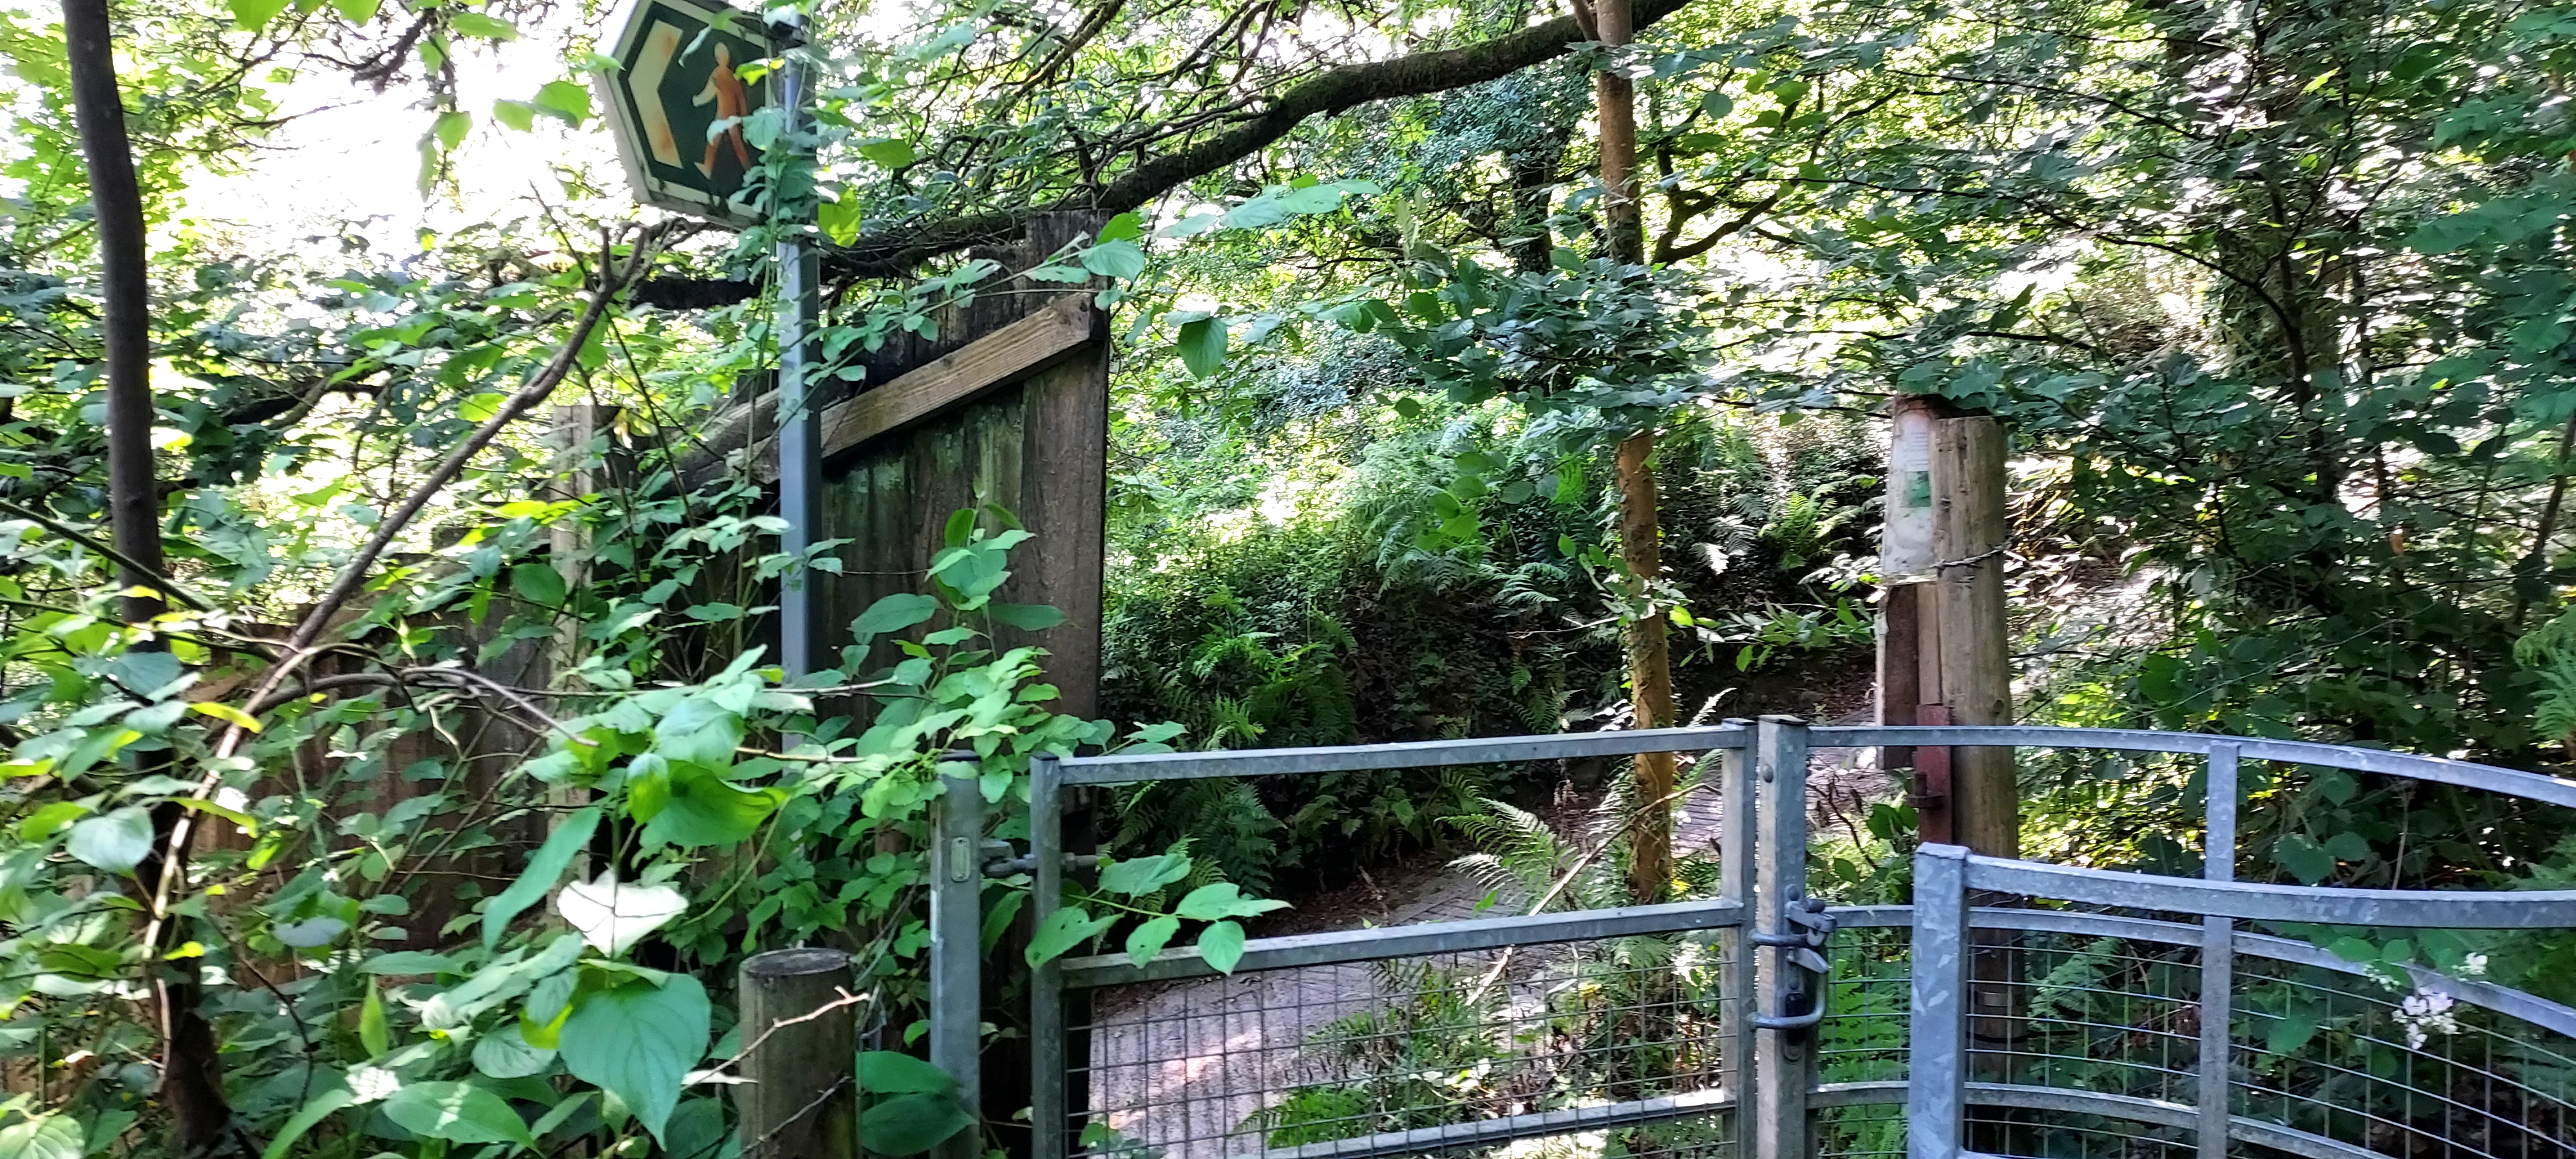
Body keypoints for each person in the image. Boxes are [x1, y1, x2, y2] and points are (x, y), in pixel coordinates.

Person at [694, 42, 753, 180]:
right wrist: (743, 116)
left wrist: (697, 100)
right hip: (731, 116)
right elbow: (742, 99)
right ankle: (749, 172)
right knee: (735, 145)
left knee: (715, 141)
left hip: (723, 116)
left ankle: (748, 171)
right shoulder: (733, 76)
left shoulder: (719, 74)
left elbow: (709, 93)